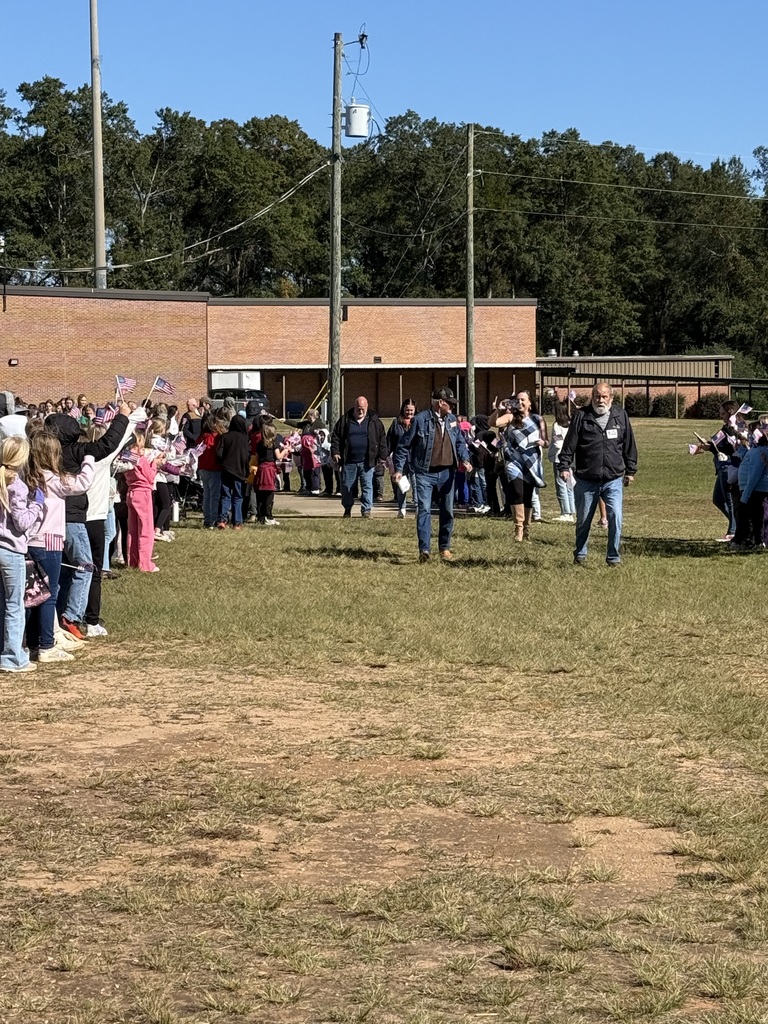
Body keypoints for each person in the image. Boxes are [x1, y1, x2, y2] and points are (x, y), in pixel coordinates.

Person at [26, 434, 95, 661]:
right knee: (49, 595)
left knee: (33, 595)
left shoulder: (30, 478)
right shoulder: (54, 480)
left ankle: (34, 642)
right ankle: (47, 645)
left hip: (31, 542)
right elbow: (83, 483)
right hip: (51, 542)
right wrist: (89, 459)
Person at [557, 382, 638, 566]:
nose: (600, 400)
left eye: (604, 396)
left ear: (611, 398)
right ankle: (580, 554)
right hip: (586, 479)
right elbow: (570, 444)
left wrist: (630, 470)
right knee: (584, 520)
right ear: (592, 397)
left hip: (613, 478)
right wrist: (564, 466)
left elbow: (629, 444)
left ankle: (613, 557)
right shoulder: (582, 415)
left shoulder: (620, 415)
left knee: (615, 516)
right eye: (597, 396)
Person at [393, 386, 472, 562]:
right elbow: (403, 446)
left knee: (447, 511)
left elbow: (459, 442)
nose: (452, 407)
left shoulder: (452, 420)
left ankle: (444, 547)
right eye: (449, 404)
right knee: (424, 510)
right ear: (440, 403)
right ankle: (425, 550)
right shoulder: (420, 420)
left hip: (447, 473)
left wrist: (464, 459)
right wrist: (398, 469)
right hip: (424, 473)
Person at [0, 436, 44, 672]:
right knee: (14, 605)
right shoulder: (16, 486)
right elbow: (22, 521)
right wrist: (37, 506)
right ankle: (12, 657)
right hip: (11, 549)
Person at [490, 395, 547, 542]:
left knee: (528, 495)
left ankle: (527, 528)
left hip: (531, 462)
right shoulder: (510, 417)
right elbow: (492, 422)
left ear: (530, 403)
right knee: (517, 491)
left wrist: (542, 442)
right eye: (518, 400)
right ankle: (518, 529)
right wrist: (498, 410)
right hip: (513, 462)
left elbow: (546, 441)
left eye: (523, 400)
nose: (520, 402)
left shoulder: (538, 419)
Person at [330, 396, 387, 519]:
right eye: (358, 408)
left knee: (367, 486)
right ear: (354, 407)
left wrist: (382, 456)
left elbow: (382, 439)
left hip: (367, 461)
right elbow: (335, 437)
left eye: (363, 408)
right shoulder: (345, 420)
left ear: (367, 407)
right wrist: (335, 452)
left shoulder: (374, 421)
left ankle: (366, 511)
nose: (360, 411)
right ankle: (347, 509)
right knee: (347, 486)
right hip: (349, 461)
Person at [217, 415, 250, 529]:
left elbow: (218, 453)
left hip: (226, 469)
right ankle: (237, 522)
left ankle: (222, 520)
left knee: (225, 496)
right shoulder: (245, 439)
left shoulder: (225, 437)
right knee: (238, 496)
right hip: (240, 471)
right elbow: (247, 456)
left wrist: (223, 462)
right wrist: (247, 470)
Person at [387, 399, 418, 519]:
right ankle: (402, 509)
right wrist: (386, 456)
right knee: (402, 486)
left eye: (411, 410)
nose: (409, 412)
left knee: (416, 486)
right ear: (403, 409)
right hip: (400, 460)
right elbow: (390, 440)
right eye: (407, 410)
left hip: (415, 459)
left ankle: (417, 508)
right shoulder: (396, 423)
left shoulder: (418, 422)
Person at [549, 397, 576, 522]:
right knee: (569, 485)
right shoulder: (572, 424)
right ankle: (571, 511)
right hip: (570, 458)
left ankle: (566, 512)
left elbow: (557, 444)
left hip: (559, 459)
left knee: (561, 485)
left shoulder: (557, 426)